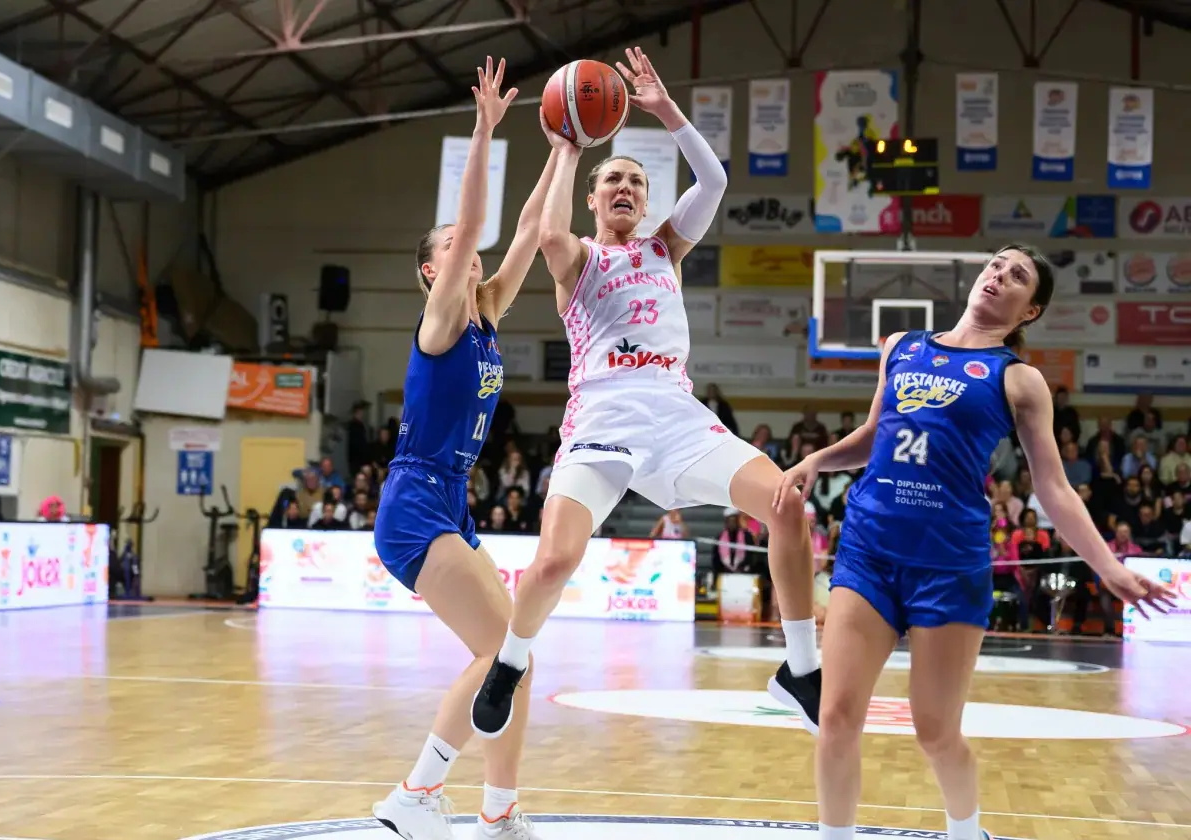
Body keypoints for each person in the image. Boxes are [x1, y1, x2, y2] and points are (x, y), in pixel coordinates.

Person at [470, 46, 821, 740]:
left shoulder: (665, 248)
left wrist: (664, 111)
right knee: (555, 561)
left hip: (675, 417)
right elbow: (544, 232)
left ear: (646, 199)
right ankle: (510, 662)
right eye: (614, 182)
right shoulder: (578, 258)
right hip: (602, 416)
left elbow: (715, 180)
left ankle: (801, 671)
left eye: (635, 181)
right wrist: (568, 147)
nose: (626, 188)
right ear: (596, 199)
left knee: (787, 504)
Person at [772, 244, 1177, 840]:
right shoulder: (902, 346)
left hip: (949, 565)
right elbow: (871, 436)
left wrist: (1108, 566)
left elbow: (1055, 488)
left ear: (1030, 311)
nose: (999, 276)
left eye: (1018, 277)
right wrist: (817, 460)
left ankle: (967, 832)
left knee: (935, 731)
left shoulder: (1020, 380)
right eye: (996, 264)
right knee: (834, 716)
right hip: (870, 549)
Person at [370, 56, 559, 840]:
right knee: (496, 654)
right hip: (415, 503)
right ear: (432, 268)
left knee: (519, 660)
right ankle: (415, 792)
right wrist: (484, 130)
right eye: (454, 248)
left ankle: (498, 807)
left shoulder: (486, 312)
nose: (470, 254)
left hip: (450, 500)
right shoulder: (443, 318)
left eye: (467, 251)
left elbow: (524, 234)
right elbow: (482, 224)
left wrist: (565, 148)